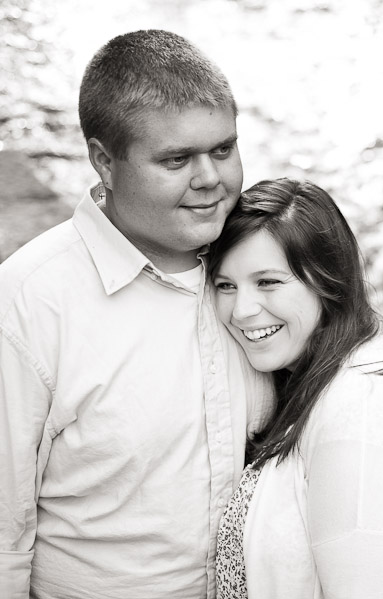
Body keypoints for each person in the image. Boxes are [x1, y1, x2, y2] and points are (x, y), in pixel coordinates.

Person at [0, 30, 272, 599]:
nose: (210, 179)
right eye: (176, 159)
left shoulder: (266, 267)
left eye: (223, 149)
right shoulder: (29, 304)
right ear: (103, 161)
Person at [209, 178, 383, 598]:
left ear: (327, 279)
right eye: (226, 286)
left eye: (269, 282)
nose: (241, 310)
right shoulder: (323, 378)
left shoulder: (367, 417)